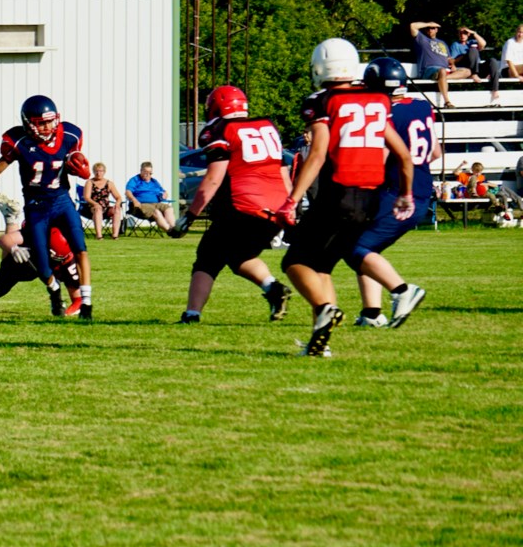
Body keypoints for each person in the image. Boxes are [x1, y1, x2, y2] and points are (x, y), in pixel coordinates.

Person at [273, 38, 414, 357]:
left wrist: (292, 199)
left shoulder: (322, 101)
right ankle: (319, 344)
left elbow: (319, 152)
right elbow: (403, 155)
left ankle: (325, 308)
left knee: (293, 262)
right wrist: (405, 194)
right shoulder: (378, 99)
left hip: (338, 194)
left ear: (320, 67)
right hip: (369, 200)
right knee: (321, 268)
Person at [168, 85, 294, 324]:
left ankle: (191, 315)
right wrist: (291, 205)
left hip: (242, 206)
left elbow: (214, 178)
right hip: (275, 207)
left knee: (207, 257)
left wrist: (190, 216)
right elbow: (283, 171)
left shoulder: (219, 129)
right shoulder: (267, 126)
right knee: (237, 256)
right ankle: (274, 289)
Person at [0, 95, 93, 318]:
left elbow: (75, 161)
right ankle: (53, 290)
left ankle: (87, 303)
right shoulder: (19, 141)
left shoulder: (69, 135)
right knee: (43, 266)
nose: (48, 127)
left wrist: (80, 169)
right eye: (41, 122)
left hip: (62, 201)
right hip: (36, 207)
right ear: (29, 123)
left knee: (79, 248)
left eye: (51, 121)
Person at [349, 57, 440, 329]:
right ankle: (372, 313)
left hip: (398, 194)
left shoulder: (386, 112)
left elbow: (381, 156)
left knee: (356, 247)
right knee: (368, 251)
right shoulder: (422, 107)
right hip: (422, 189)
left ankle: (402, 290)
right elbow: (435, 152)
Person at [410, 21, 471, 109]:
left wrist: (452, 64)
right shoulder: (422, 39)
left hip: (444, 70)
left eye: (433, 28)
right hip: (429, 69)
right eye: (428, 28)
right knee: (442, 71)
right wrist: (429, 24)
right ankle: (447, 102)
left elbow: (449, 58)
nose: (430, 30)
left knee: (467, 71)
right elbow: (413, 26)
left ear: (437, 30)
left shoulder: (442, 43)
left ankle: (442, 78)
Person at [449, 26, 501, 106]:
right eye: (461, 33)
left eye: (465, 33)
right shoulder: (456, 45)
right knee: (473, 50)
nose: (463, 35)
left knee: (493, 61)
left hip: (478, 67)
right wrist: (466, 55)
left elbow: (483, 44)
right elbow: (453, 60)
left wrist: (474, 33)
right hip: (466, 69)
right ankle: (474, 74)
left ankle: (495, 90)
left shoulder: (472, 42)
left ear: (468, 34)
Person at [125, 161, 177, 231]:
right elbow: (128, 192)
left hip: (155, 203)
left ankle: (175, 228)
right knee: (156, 212)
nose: (148, 174)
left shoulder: (154, 182)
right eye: (145, 172)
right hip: (140, 205)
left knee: (169, 209)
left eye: (150, 173)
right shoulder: (135, 180)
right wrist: (134, 200)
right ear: (141, 171)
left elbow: (162, 191)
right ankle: (170, 231)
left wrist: (165, 194)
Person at [82, 162, 123, 239]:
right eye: (96, 171)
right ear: (93, 172)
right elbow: (87, 197)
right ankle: (99, 235)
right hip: (92, 207)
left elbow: (118, 197)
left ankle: (115, 235)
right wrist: (95, 204)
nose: (98, 173)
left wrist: (117, 203)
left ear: (104, 172)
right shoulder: (89, 182)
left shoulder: (109, 183)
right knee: (98, 209)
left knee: (117, 210)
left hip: (106, 207)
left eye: (101, 171)